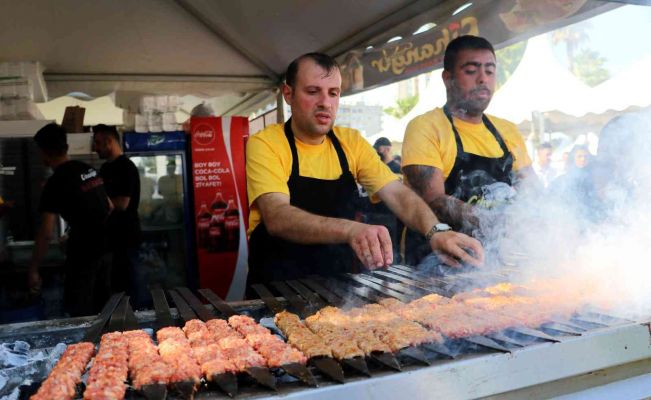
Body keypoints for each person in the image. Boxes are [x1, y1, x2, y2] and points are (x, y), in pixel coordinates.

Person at [245, 52, 483, 285]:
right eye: (312, 92)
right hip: (274, 288)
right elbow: (277, 217)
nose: (325, 103)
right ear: (288, 94)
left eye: (333, 93)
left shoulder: (351, 142)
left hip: (338, 287)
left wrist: (436, 231)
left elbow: (397, 193)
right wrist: (350, 229)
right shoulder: (266, 143)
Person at [401, 35, 535, 265]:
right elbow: (433, 200)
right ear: (448, 78)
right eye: (471, 71)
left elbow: (532, 190)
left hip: (499, 258)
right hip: (439, 261)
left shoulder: (507, 131)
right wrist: (492, 221)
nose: (483, 79)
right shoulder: (426, 126)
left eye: (490, 71)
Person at [28, 123, 112, 317]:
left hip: (83, 254)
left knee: (80, 314)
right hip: (107, 250)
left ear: (44, 152)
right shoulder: (88, 169)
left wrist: (33, 269)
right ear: (65, 146)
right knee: (104, 311)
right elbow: (109, 206)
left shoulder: (55, 182)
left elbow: (46, 233)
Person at [92, 124, 142, 296]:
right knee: (116, 288)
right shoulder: (105, 168)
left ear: (109, 141)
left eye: (98, 143)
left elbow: (122, 203)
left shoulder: (126, 167)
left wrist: (98, 202)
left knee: (131, 287)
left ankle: (140, 319)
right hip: (111, 239)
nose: (95, 148)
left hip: (127, 237)